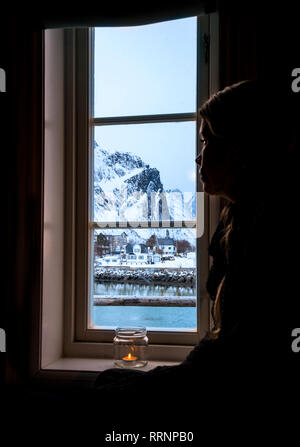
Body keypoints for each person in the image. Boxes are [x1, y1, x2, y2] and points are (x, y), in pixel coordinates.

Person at [80, 80, 299, 435]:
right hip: (224, 389)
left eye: (208, 141)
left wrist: (166, 380)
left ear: (241, 150)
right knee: (108, 382)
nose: (199, 155)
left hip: (243, 403)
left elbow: (240, 353)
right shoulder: (236, 221)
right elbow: (226, 343)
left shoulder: (272, 232)